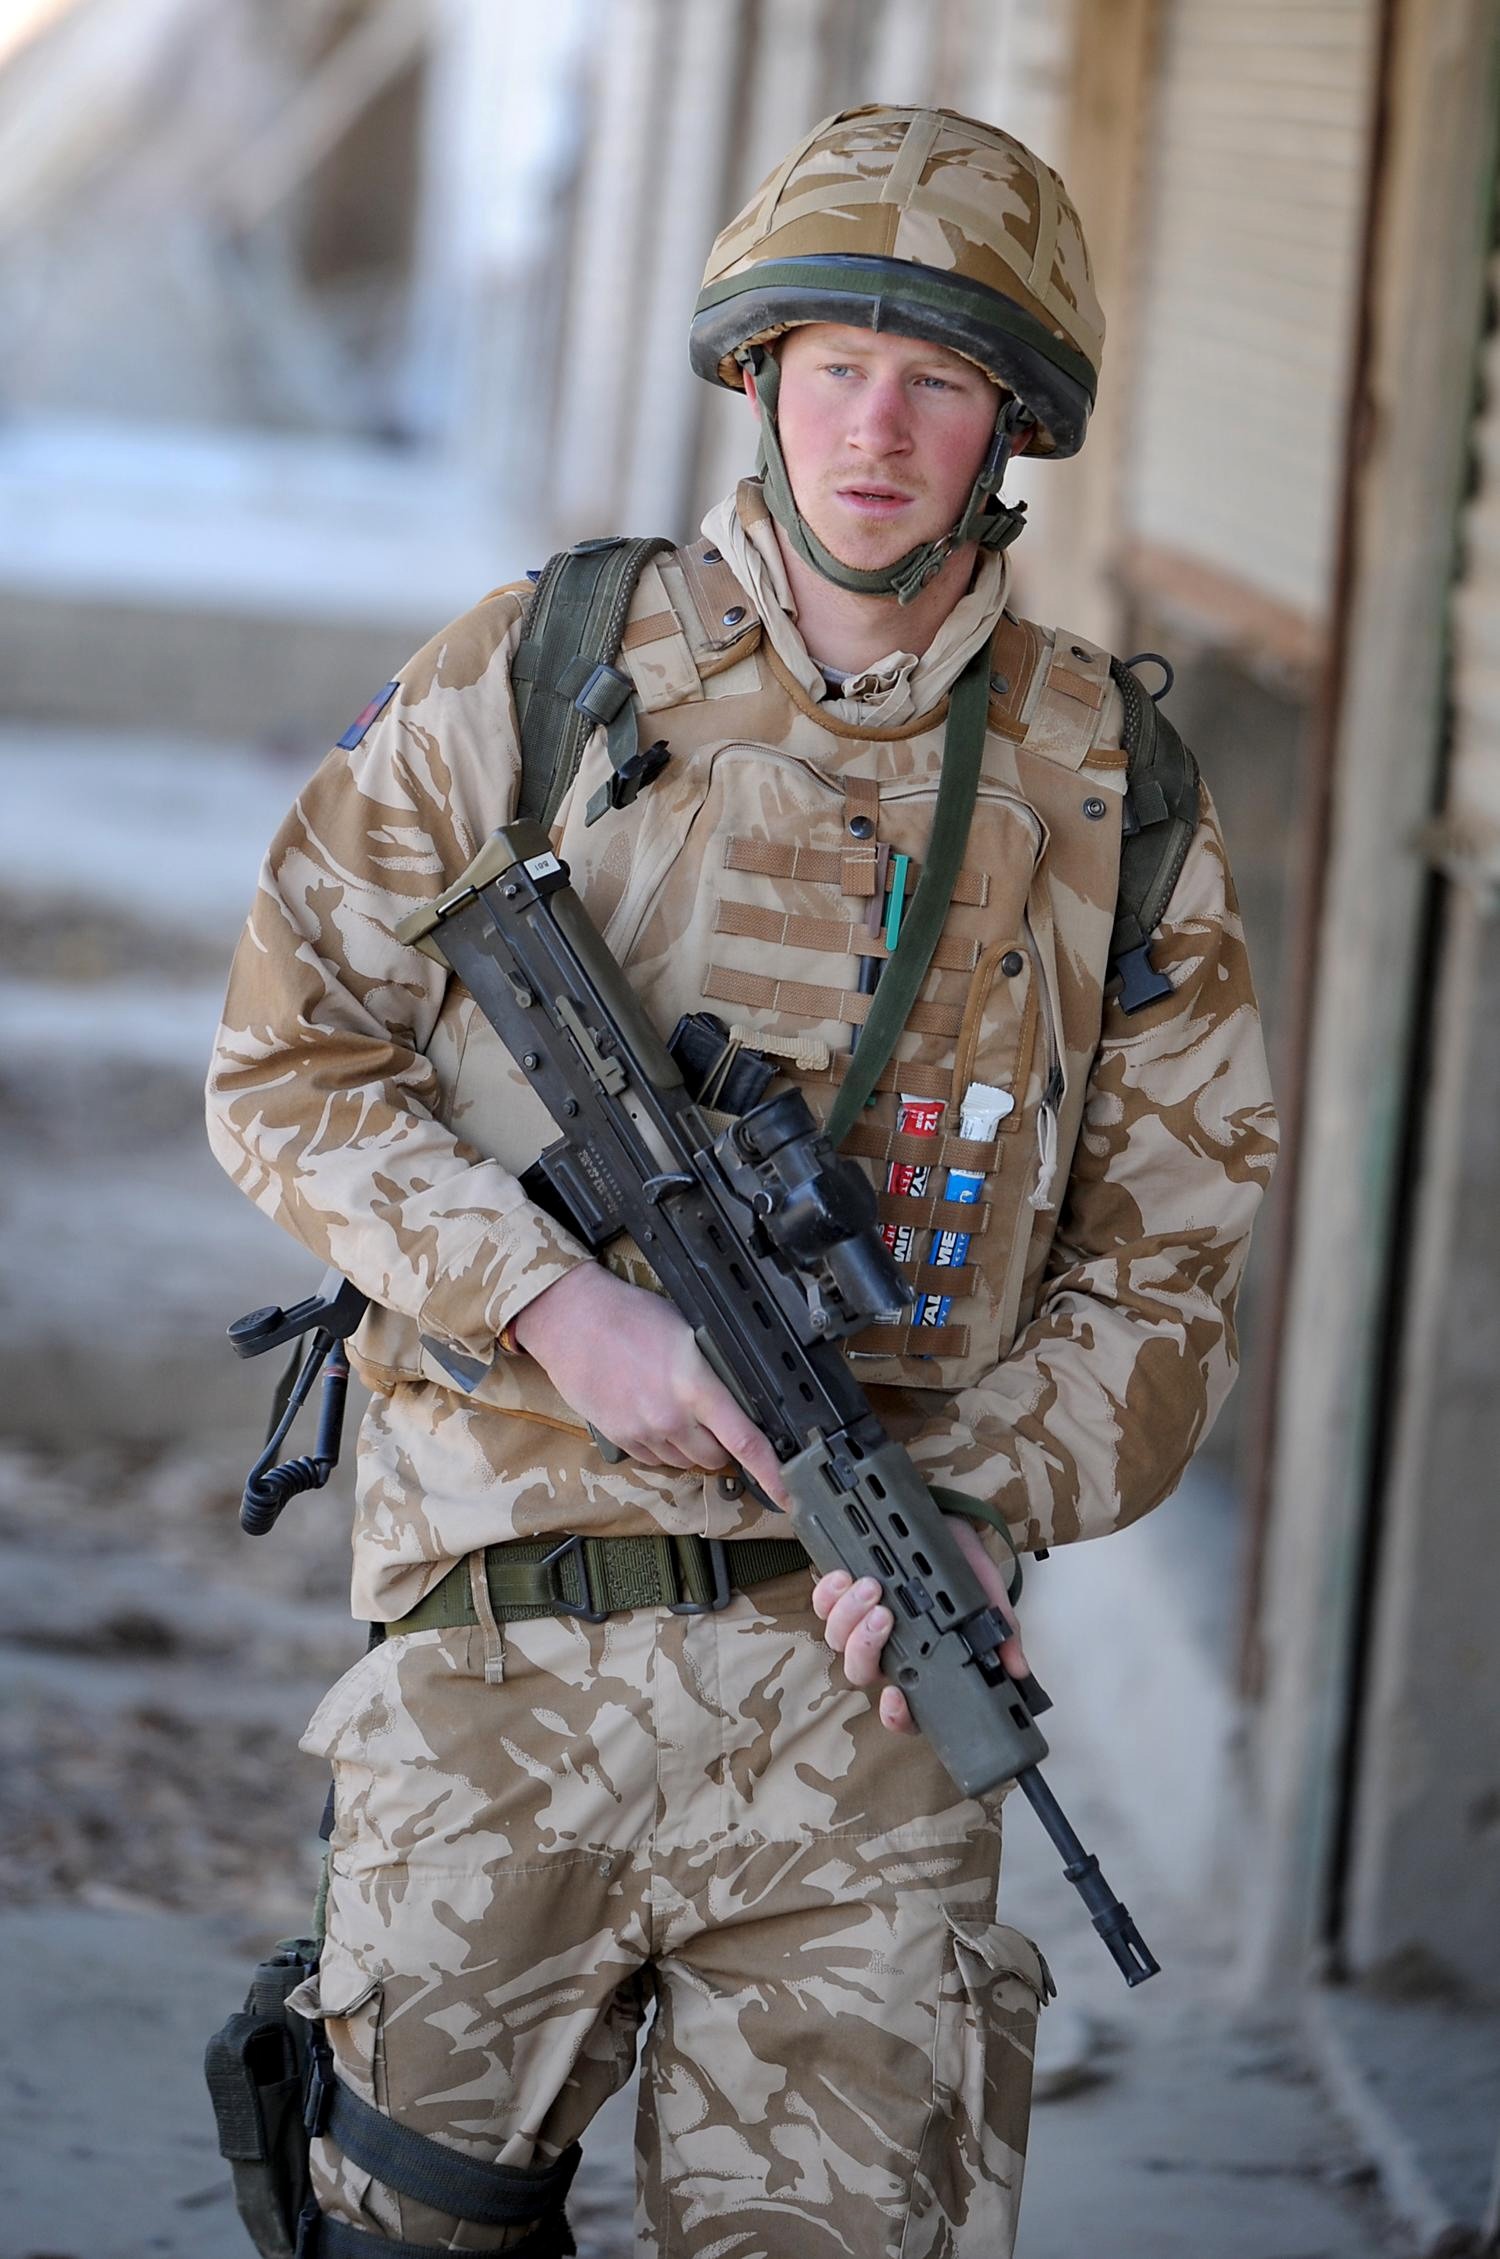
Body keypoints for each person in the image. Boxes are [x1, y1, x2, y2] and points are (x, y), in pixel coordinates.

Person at [207, 103, 1276, 2259]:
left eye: (942, 377)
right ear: (759, 373)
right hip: (504, 1660)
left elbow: (1171, 1275)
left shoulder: (1113, 790)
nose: (876, 426)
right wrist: (548, 1301)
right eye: (835, 360)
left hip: (872, 1713)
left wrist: (976, 1509)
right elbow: (285, 1059)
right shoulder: (541, 670)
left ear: (1013, 426)